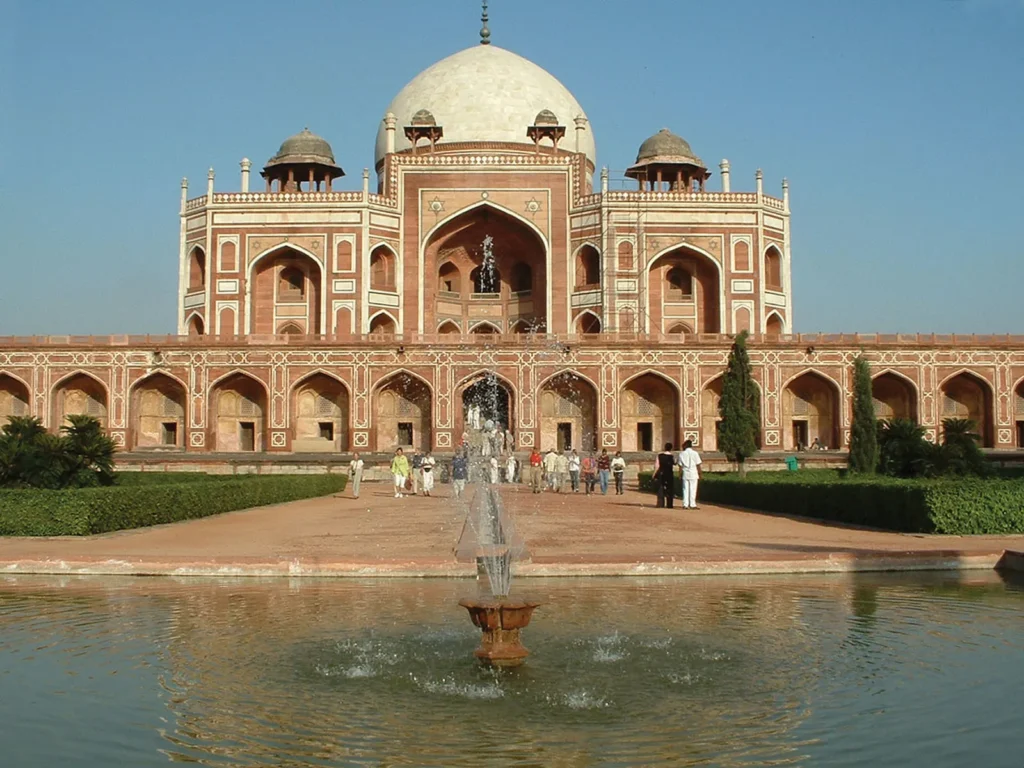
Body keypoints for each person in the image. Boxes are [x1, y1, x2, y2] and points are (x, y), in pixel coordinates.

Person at [677, 439, 703, 509]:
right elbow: (698, 465)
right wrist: (700, 474)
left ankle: (685, 504)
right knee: (693, 489)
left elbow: (680, 466)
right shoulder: (695, 453)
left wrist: (679, 475)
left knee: (685, 489)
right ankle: (692, 504)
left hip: (685, 473)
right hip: (693, 472)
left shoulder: (681, 454)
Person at [654, 442, 676, 508]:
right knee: (670, 489)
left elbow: (657, 465)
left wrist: (654, 474)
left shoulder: (659, 455)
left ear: (664, 447)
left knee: (661, 488)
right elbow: (674, 463)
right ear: (671, 448)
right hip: (669, 473)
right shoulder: (672, 456)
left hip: (661, 473)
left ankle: (660, 504)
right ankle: (669, 504)